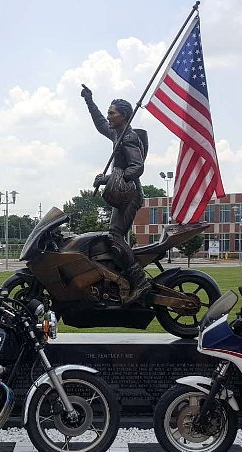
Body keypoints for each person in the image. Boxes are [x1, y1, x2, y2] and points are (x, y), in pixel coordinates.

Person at [80, 83, 150, 304]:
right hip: (122, 196)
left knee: (115, 237)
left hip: (130, 196)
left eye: (113, 113)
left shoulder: (128, 138)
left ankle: (140, 282)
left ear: (124, 116)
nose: (109, 116)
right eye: (109, 112)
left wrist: (108, 178)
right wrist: (89, 101)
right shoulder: (117, 133)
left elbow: (137, 167)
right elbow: (100, 123)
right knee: (111, 236)